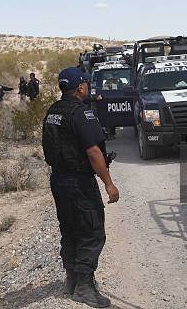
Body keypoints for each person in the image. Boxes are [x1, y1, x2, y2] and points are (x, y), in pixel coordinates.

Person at [42, 67, 119, 308]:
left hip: (59, 180)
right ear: (81, 87)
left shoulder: (53, 111)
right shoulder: (80, 113)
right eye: (86, 83)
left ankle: (72, 280)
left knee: (70, 228)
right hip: (79, 182)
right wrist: (109, 184)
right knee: (92, 230)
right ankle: (84, 287)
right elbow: (93, 151)